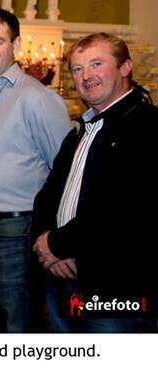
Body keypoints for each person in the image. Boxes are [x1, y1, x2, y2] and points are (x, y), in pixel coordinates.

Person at [32, 33, 158, 332]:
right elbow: (47, 195)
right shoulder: (82, 129)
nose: (86, 76)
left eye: (96, 64)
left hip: (116, 286)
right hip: (63, 275)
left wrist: (56, 243)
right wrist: (44, 243)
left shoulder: (147, 127)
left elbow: (123, 210)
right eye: (77, 68)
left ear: (125, 67)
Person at [0, 8, 71, 332]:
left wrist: (58, 238)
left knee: (15, 324)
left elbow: (62, 172)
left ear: (16, 45)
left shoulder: (37, 98)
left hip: (14, 231)